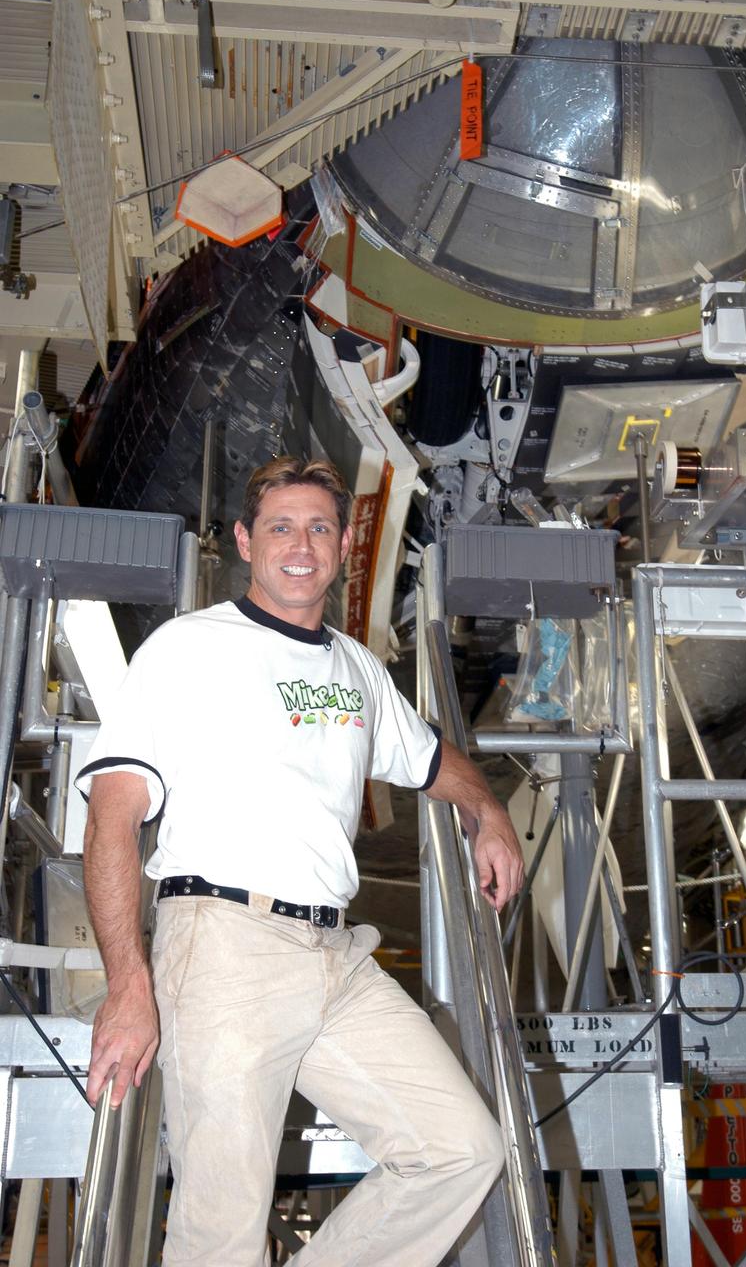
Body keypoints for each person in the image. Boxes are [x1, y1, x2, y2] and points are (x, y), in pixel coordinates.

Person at [77, 455, 525, 1267]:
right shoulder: (189, 648)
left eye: (319, 527)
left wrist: (487, 809)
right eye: (280, 526)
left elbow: (430, 761)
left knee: (459, 1149)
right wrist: (128, 985)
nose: (300, 543)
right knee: (223, 1231)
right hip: (223, 946)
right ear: (245, 542)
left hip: (334, 958)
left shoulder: (355, 669)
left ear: (344, 545)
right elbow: (110, 821)